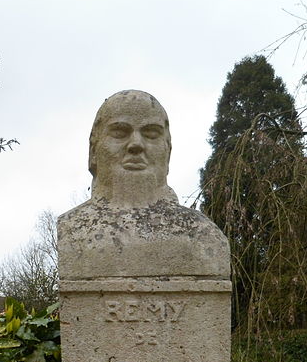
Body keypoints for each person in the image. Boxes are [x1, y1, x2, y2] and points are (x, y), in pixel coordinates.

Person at [58, 90, 229, 279]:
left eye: (151, 134)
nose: (136, 144)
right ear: (93, 151)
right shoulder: (72, 230)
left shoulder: (202, 235)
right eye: (119, 132)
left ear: (168, 151)